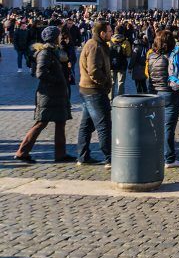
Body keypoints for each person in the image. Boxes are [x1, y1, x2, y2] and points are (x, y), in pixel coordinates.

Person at [15, 26, 74, 163]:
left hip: (57, 94)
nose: (61, 37)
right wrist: (58, 80)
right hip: (48, 94)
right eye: (59, 35)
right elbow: (40, 73)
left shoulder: (55, 51)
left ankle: (61, 154)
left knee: (61, 122)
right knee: (41, 123)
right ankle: (22, 152)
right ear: (53, 37)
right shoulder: (45, 53)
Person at [77, 20, 113, 167]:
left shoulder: (96, 44)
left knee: (86, 125)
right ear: (102, 33)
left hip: (87, 89)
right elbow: (94, 71)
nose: (112, 33)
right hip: (94, 91)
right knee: (104, 124)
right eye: (110, 31)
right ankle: (110, 157)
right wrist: (105, 83)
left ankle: (82, 156)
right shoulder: (95, 46)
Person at [147, 29, 179, 168]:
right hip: (169, 94)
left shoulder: (151, 57)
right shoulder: (170, 58)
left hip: (155, 93)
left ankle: (159, 154)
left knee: (157, 126)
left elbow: (149, 77)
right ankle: (169, 158)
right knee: (168, 127)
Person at [108, 25, 131, 99]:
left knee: (112, 82)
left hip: (111, 64)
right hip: (122, 65)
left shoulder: (110, 41)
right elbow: (128, 54)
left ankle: (110, 98)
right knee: (121, 82)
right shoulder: (125, 42)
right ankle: (120, 98)